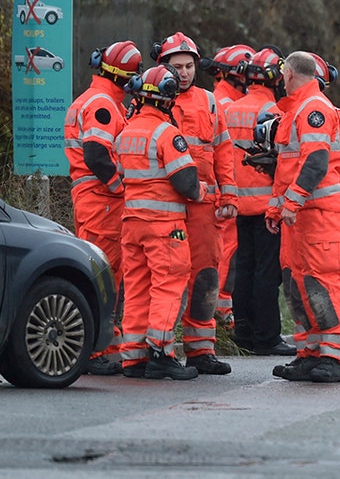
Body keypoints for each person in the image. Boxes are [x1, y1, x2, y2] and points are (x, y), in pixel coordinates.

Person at [266, 51, 340, 383]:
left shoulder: (313, 109)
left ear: (289, 73)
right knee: (297, 285)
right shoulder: (294, 112)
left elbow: (316, 163)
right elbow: (286, 169)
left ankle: (337, 356)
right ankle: (310, 352)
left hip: (317, 215)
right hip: (298, 218)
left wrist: (290, 203)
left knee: (324, 283)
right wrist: (277, 208)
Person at [152, 32, 239, 375]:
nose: (184, 73)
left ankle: (201, 350)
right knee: (169, 277)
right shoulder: (153, 99)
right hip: (168, 204)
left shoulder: (210, 101)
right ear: (164, 67)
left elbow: (223, 150)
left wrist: (229, 194)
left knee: (205, 276)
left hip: (205, 206)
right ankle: (160, 350)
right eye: (178, 67)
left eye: (189, 66)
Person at [115, 65, 205, 380]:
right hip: (165, 224)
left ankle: (134, 357)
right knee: (169, 283)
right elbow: (186, 181)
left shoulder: (125, 133)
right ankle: (161, 351)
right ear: (167, 99)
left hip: (132, 223)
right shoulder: (167, 133)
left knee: (137, 287)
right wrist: (201, 190)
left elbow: (123, 175)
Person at [63, 40, 143, 376]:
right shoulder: (104, 105)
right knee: (105, 274)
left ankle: (105, 344)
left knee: (102, 272)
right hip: (102, 202)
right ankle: (98, 350)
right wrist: (120, 189)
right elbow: (97, 154)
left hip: (93, 200)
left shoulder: (96, 99)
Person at [221, 46, 295, 357]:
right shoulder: (277, 114)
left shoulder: (227, 111)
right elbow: (286, 162)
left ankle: (244, 332)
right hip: (267, 208)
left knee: (244, 270)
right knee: (267, 273)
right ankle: (267, 336)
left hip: (237, 205)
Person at [206, 44, 254, 334]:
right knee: (224, 253)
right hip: (223, 193)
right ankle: (221, 316)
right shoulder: (225, 105)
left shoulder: (218, 100)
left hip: (222, 191)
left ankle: (221, 314)